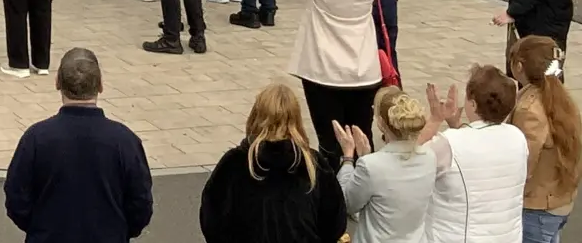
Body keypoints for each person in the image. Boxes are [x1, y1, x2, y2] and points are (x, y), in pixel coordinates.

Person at [4, 48, 153, 243]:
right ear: (100, 85)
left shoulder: (36, 138)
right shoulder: (125, 141)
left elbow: (16, 198)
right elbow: (140, 203)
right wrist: (120, 231)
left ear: (58, 83)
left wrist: (40, 227)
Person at [279, 0, 382, 166]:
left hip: (323, 72)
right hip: (364, 71)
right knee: (363, 137)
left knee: (329, 141)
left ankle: (333, 193)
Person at [199, 83, 346, 243]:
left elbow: (211, 220)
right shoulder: (313, 164)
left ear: (256, 115)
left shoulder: (234, 163)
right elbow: (334, 224)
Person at [418, 69, 529, 242]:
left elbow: (409, 162)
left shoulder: (449, 143)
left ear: (474, 105)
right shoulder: (517, 137)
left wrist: (435, 119)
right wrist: (455, 124)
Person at [332, 87, 435, 243]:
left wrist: (348, 157)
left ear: (380, 122)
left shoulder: (371, 166)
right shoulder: (429, 157)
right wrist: (366, 156)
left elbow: (346, 203)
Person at [508, 35, 582, 240]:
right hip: (560, 201)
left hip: (537, 207)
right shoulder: (562, 98)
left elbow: (524, 164)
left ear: (520, 66)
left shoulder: (529, 110)